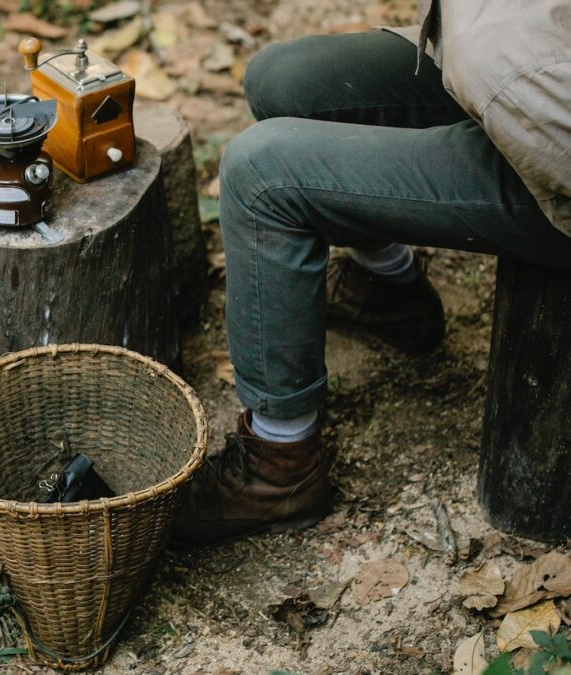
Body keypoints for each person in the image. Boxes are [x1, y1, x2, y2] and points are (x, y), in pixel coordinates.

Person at [172, 1, 571, 546]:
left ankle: (280, 462)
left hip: (549, 133)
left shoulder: (510, 77)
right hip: (533, 45)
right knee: (286, 81)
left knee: (260, 175)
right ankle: (387, 286)